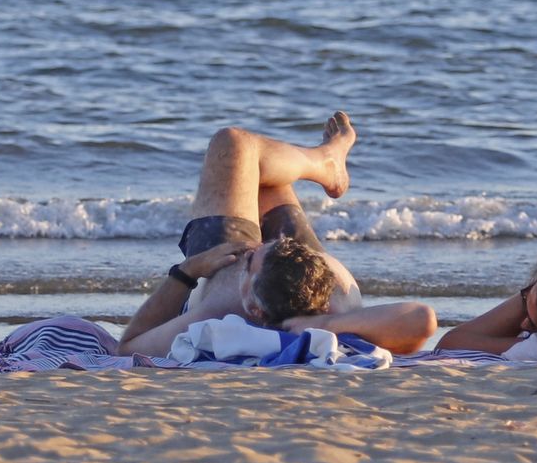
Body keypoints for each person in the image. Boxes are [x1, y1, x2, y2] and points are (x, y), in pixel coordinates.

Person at [116, 112, 436, 357]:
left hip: (219, 263)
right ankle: (327, 161)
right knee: (269, 176)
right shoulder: (338, 310)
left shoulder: (217, 314)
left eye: (251, 259)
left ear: (252, 307)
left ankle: (324, 161)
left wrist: (188, 272)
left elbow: (129, 346)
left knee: (233, 144)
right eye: (279, 244)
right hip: (301, 289)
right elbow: (423, 320)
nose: (264, 240)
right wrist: (324, 324)